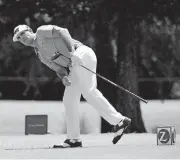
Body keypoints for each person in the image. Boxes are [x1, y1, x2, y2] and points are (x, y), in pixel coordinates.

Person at [13, 24, 131, 148]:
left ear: (30, 31)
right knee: (69, 100)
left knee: (88, 92)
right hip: (73, 65)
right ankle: (74, 139)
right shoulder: (40, 54)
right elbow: (58, 69)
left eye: (23, 33)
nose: (22, 38)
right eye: (19, 38)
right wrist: (64, 77)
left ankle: (119, 121)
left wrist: (72, 53)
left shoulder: (41, 31)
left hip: (81, 53)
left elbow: (63, 31)